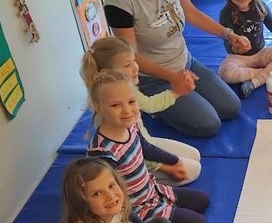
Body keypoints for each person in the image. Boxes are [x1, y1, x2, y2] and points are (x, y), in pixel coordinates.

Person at [105, 0, 247, 137]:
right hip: (154, 79)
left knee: (231, 107)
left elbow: (191, 13)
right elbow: (130, 56)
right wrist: (173, 78)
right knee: (209, 124)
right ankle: (153, 108)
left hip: (185, 61)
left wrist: (228, 34)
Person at [86, 70, 208, 223]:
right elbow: (113, 201)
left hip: (151, 191)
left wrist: (174, 161)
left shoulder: (129, 126)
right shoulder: (102, 153)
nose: (127, 110)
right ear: (98, 107)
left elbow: (146, 148)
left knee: (202, 201)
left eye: (131, 101)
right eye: (115, 105)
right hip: (133, 210)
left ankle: (164, 207)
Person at [81, 36, 201, 186]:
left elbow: (149, 107)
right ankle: (139, 184)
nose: (136, 68)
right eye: (127, 65)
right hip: (133, 161)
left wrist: (177, 92)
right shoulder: (108, 118)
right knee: (193, 170)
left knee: (195, 155)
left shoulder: (127, 89)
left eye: (134, 61)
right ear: (107, 72)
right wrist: (165, 167)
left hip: (146, 144)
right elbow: (130, 152)